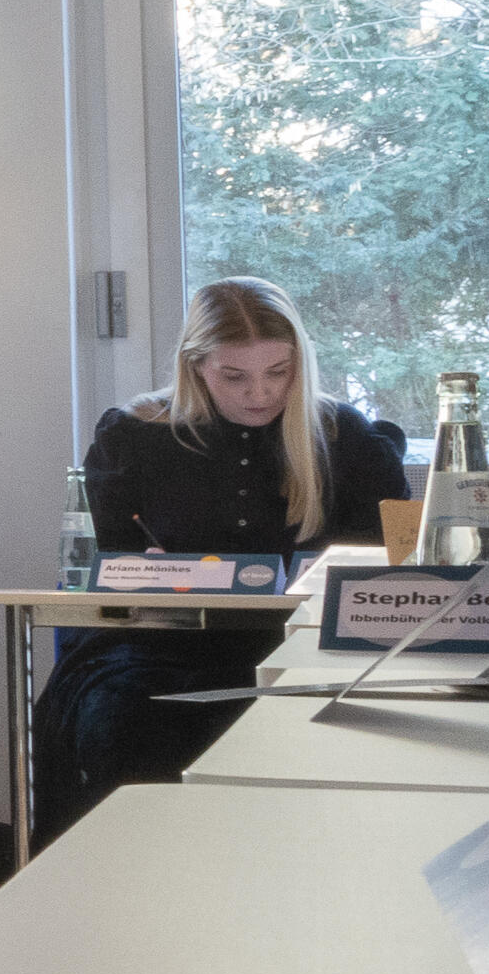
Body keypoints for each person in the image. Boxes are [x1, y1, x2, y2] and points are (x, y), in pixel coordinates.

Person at [50, 275, 413, 834]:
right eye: (234, 376)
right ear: (196, 366)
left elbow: (392, 563)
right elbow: (107, 573)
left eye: (278, 372)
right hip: (161, 644)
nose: (260, 394)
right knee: (125, 723)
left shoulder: (349, 437)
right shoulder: (133, 435)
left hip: (306, 648)